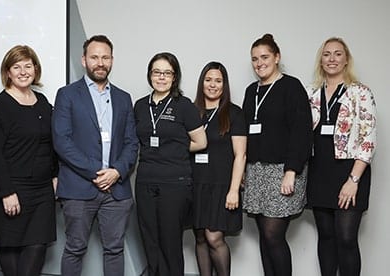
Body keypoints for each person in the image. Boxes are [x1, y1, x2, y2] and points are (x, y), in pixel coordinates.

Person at [52, 35, 138, 276]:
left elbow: (132, 143)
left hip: (117, 190)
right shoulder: (67, 94)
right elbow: (62, 141)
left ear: (112, 60)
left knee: (114, 250)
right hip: (79, 188)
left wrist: (117, 172)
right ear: (84, 60)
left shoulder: (123, 98)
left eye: (105, 57)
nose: (100, 62)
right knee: (75, 249)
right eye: (94, 57)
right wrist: (97, 173)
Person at [0, 45, 58, 276]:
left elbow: (51, 144)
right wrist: (7, 192)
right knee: (11, 244)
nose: (23, 71)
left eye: (28, 65)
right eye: (17, 67)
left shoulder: (43, 101)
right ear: (8, 72)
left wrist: (55, 175)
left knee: (37, 245)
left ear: (35, 68)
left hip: (43, 188)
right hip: (12, 187)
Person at [241, 34, 312, 276]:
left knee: (273, 235)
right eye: (254, 59)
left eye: (264, 57)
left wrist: (291, 171)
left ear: (277, 57)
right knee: (264, 234)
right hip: (256, 171)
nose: (259, 63)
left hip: (283, 170)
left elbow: (301, 133)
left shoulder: (291, 87)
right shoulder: (252, 91)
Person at [306, 37, 376, 276]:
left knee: (346, 237)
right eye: (327, 54)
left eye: (337, 54)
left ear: (346, 60)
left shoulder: (360, 93)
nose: (332, 59)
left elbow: (368, 139)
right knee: (326, 236)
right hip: (319, 172)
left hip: (349, 172)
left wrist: (353, 180)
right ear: (321, 60)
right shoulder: (312, 94)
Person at [134, 52, 207, 276]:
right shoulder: (139, 106)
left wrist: (174, 148)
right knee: (150, 239)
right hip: (145, 180)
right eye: (157, 72)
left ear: (174, 77)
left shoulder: (184, 105)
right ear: (150, 75)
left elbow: (200, 141)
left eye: (167, 73)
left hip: (174, 183)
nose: (162, 77)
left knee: (169, 240)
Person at [191, 61, 247, 276]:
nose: (212, 85)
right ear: (201, 83)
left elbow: (240, 155)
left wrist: (234, 190)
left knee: (214, 237)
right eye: (208, 80)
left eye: (218, 81)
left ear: (224, 85)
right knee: (199, 237)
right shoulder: (192, 111)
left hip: (221, 185)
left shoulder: (233, 113)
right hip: (195, 183)